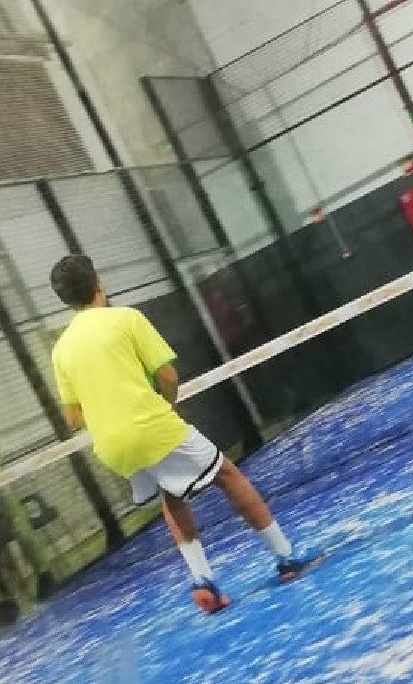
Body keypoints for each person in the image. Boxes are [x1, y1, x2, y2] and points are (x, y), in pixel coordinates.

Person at [49, 254, 321, 614]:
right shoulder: (126, 319)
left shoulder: (60, 350)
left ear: (65, 299)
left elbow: (73, 418)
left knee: (172, 492)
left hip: (113, 449)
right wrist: (165, 404)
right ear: (98, 282)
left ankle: (202, 580)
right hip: (151, 426)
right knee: (227, 475)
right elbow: (168, 377)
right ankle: (286, 558)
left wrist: (109, 407)